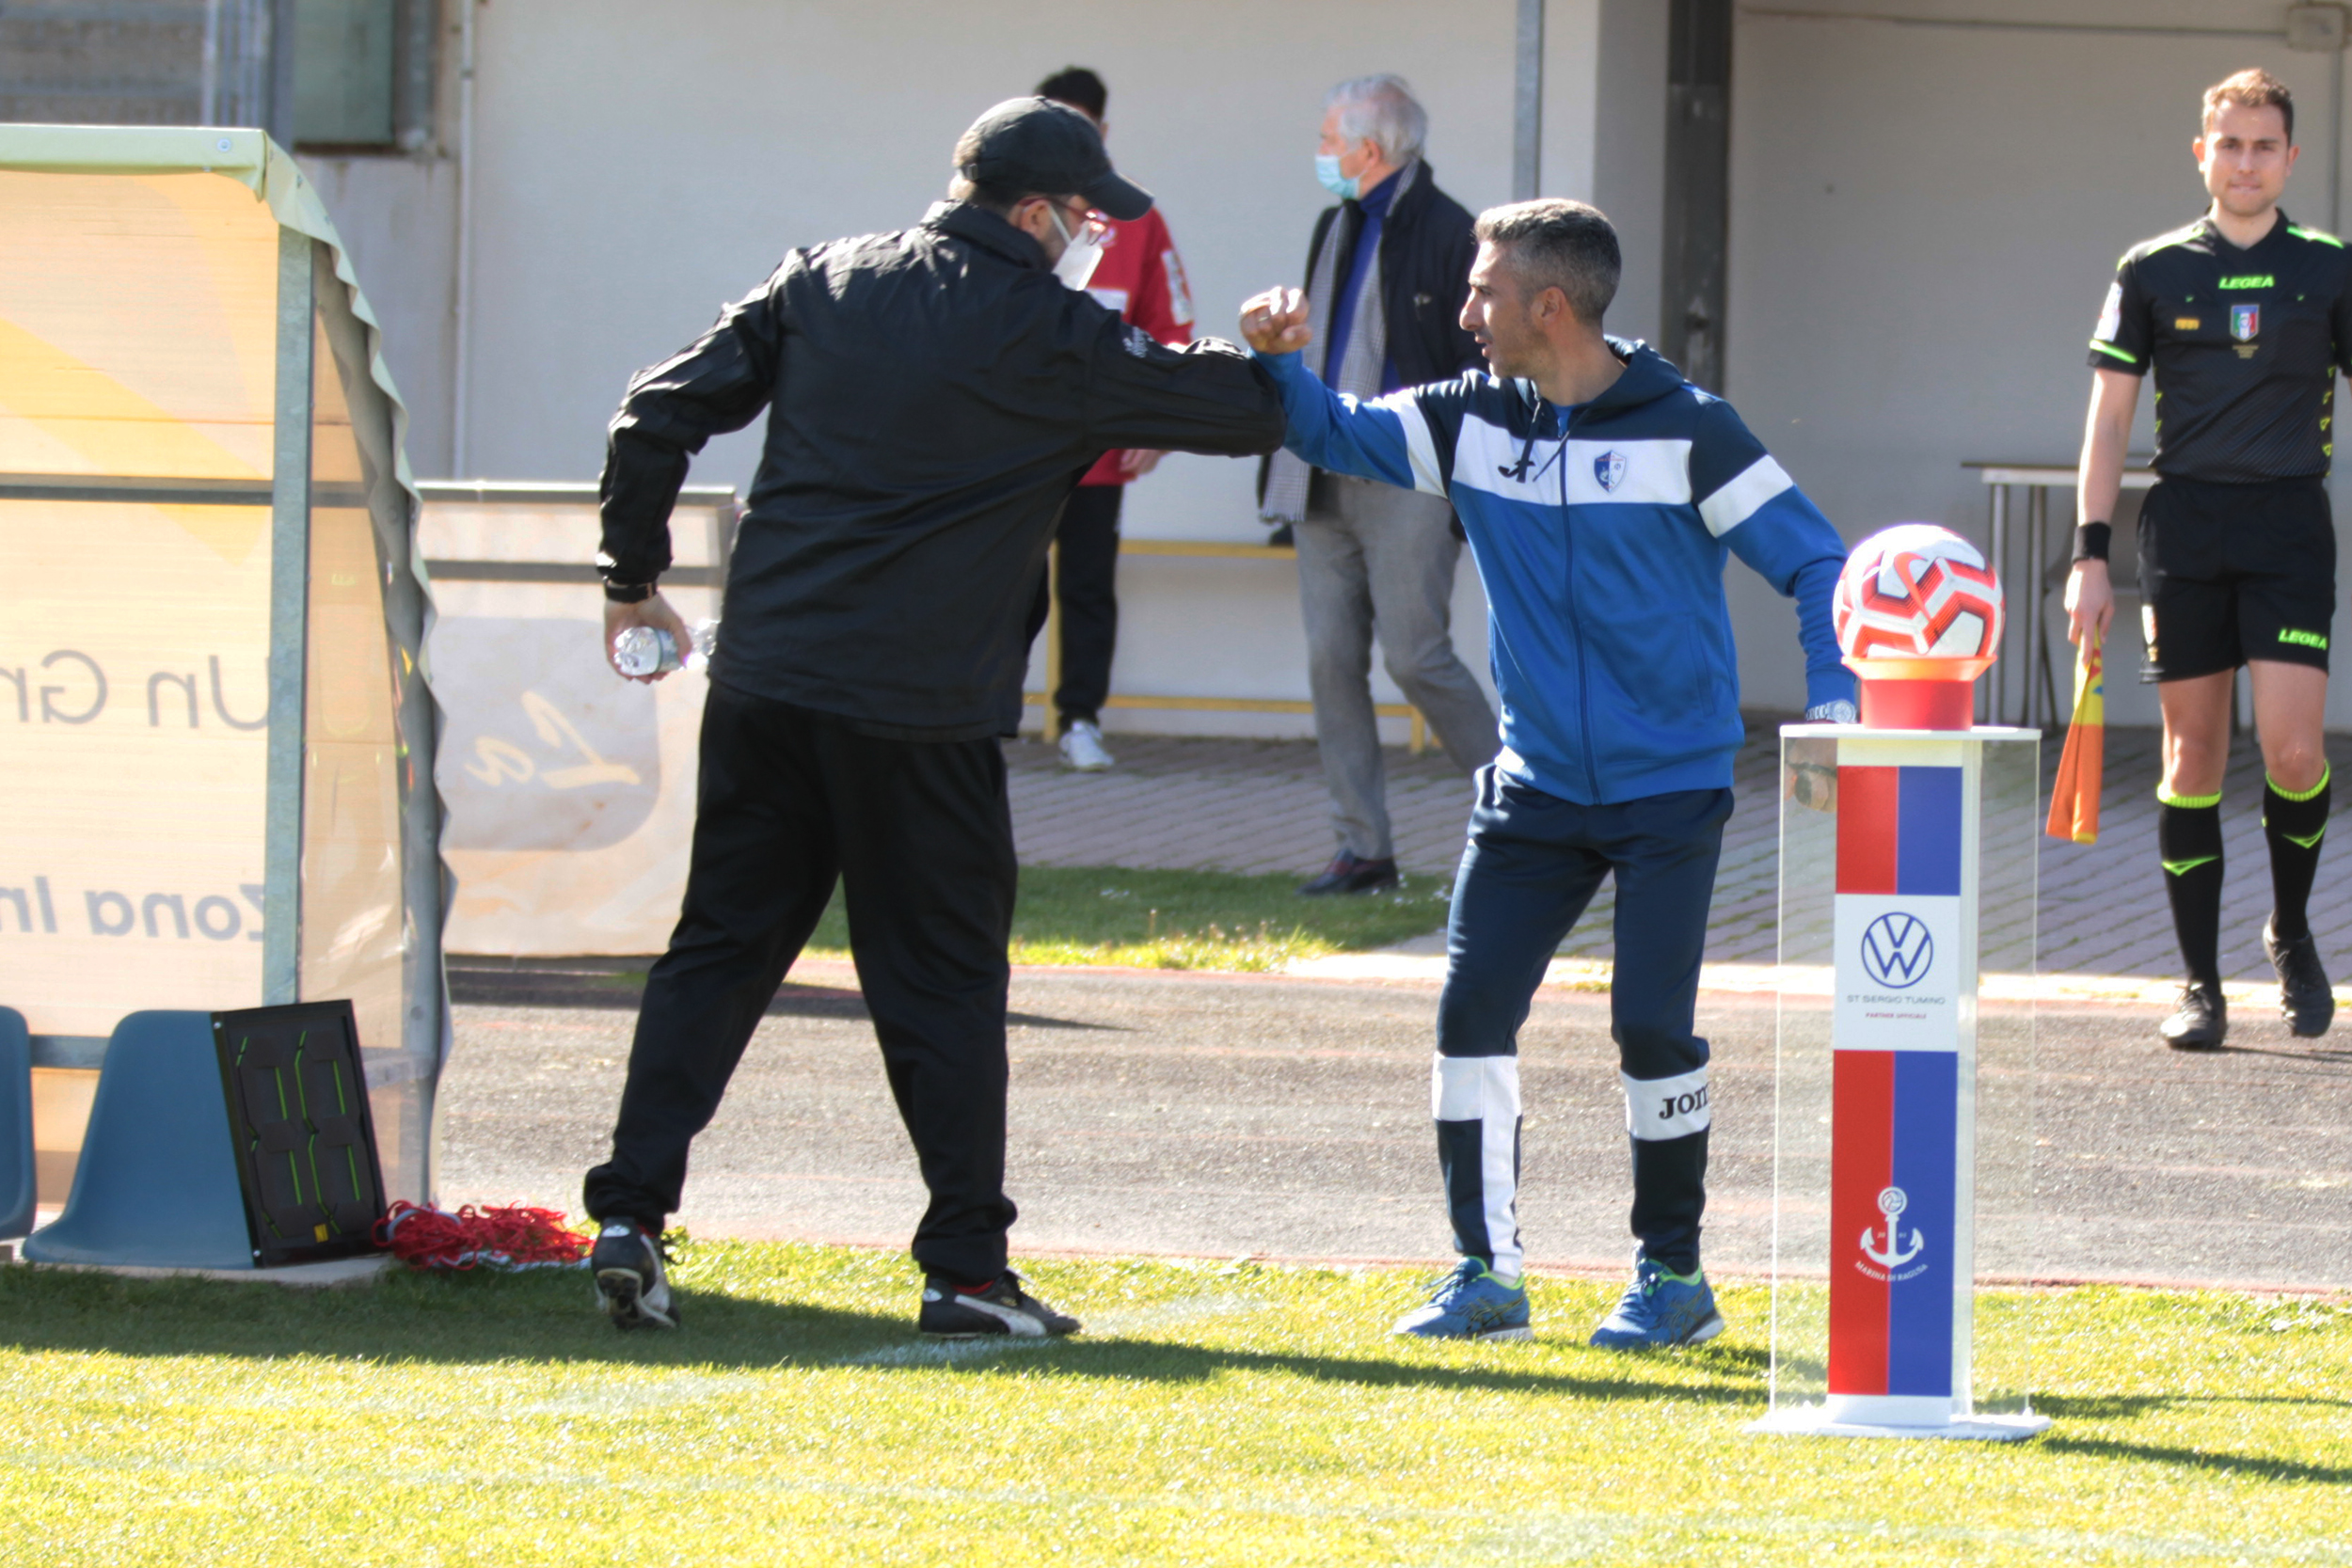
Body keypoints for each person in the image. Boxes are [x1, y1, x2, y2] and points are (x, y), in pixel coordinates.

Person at [582, 98, 1287, 1336]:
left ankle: (631, 1210)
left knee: (719, 949)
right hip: (921, 716)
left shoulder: (824, 278)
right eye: (1083, 218)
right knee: (945, 986)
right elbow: (1238, 416)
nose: (1091, 238)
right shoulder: (1057, 333)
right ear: (1032, 213)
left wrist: (632, 586)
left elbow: (653, 412)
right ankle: (965, 1268)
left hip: (767, 687)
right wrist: (1268, 354)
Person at [1240, 198, 1853, 1347]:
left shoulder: (1691, 429)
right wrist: (1278, 365)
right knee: (1470, 1012)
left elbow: (1817, 561)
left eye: (1482, 292)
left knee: (1649, 1027)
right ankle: (1484, 1273)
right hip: (1531, 789)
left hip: (1668, 788)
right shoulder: (1469, 416)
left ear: (1549, 306)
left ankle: (1673, 1279)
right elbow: (1330, 431)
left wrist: (1835, 702)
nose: (1463, 312)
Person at [2069, 68, 2345, 1051]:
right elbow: (2108, 420)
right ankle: (2196, 981)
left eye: (2262, 144)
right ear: (2201, 152)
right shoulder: (2150, 267)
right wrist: (2088, 555)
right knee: (2189, 758)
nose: (2244, 161)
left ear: (2289, 157)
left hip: (2286, 529)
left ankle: (2293, 929)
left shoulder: (2327, 266)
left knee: (2292, 751)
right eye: (2228, 144)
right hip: (2182, 529)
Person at [1260, 73, 1500, 896]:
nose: (1321, 153)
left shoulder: (1450, 230)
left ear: (1369, 148)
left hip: (1406, 473)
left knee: (1416, 656)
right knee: (1332, 662)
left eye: (1329, 139)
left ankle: (1528, 807)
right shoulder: (1335, 223)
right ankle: (1362, 850)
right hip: (1318, 471)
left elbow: (1483, 363)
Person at [1025, 66, 1197, 771]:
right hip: (1015, 453)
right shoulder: (1017, 213)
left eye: (1080, 127)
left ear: (1102, 131)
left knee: (1088, 587)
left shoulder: (1137, 219)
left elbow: (1172, 329)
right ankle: (981, 721)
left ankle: (1080, 720)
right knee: (1002, 585)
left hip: (1099, 453)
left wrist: (1155, 425)